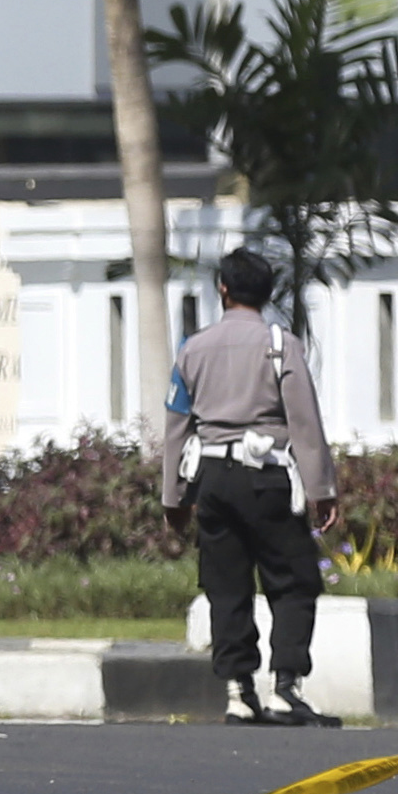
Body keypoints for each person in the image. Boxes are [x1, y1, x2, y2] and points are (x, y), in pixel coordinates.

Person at [160, 248, 341, 727]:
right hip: (267, 477)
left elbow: (177, 426)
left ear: (223, 288)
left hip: (214, 479)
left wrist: (174, 497)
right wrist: (322, 487)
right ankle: (286, 686)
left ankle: (238, 690)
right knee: (295, 579)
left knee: (226, 584)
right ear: (269, 292)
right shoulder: (281, 345)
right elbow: (304, 421)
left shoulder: (192, 349)